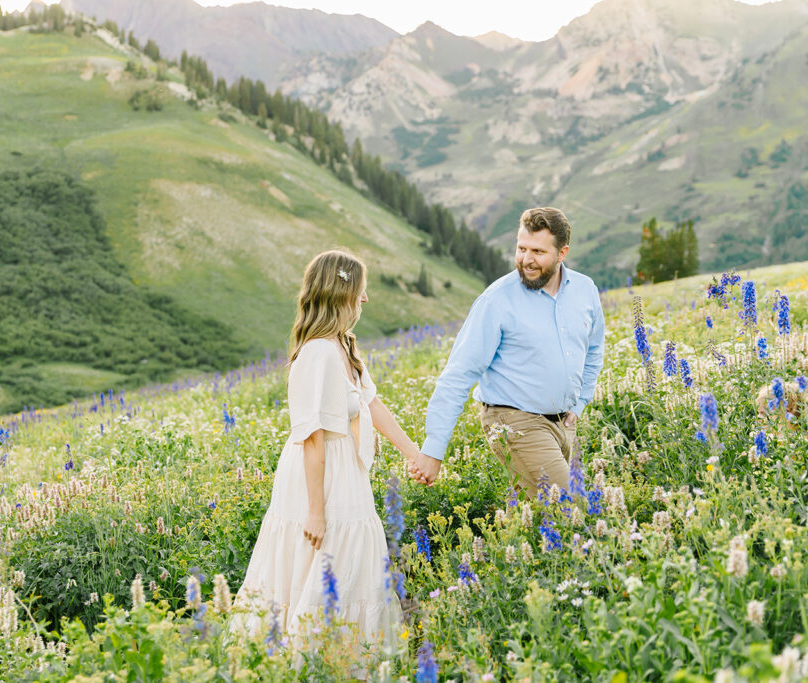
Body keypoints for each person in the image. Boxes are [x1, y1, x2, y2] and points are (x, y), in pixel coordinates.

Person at [234, 250, 417, 662]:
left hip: (344, 470)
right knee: (323, 557)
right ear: (341, 292)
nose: (365, 298)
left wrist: (413, 453)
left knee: (349, 561)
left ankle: (344, 659)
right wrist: (315, 510)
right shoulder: (317, 354)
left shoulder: (343, 346)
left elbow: (372, 405)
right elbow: (313, 438)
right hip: (318, 475)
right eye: (360, 289)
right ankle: (300, 660)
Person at [410, 207, 606, 494]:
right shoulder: (497, 299)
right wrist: (434, 449)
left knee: (540, 522)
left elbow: (594, 350)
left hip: (563, 424)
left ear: (562, 253)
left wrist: (579, 403)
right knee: (572, 506)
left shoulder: (584, 290)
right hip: (514, 421)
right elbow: (458, 374)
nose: (526, 260)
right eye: (521, 248)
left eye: (538, 251)